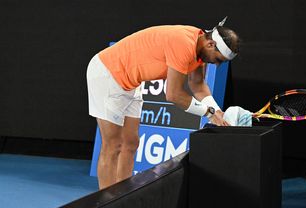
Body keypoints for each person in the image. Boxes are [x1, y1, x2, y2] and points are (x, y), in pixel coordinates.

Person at [87, 17, 241, 189]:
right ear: (211, 45)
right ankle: (107, 203)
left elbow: (197, 85)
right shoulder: (183, 44)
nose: (217, 65)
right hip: (108, 73)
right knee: (113, 145)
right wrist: (209, 113)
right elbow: (174, 95)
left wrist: (217, 111)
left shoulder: (200, 45)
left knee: (131, 143)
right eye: (218, 60)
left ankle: (121, 195)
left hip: (131, 82)